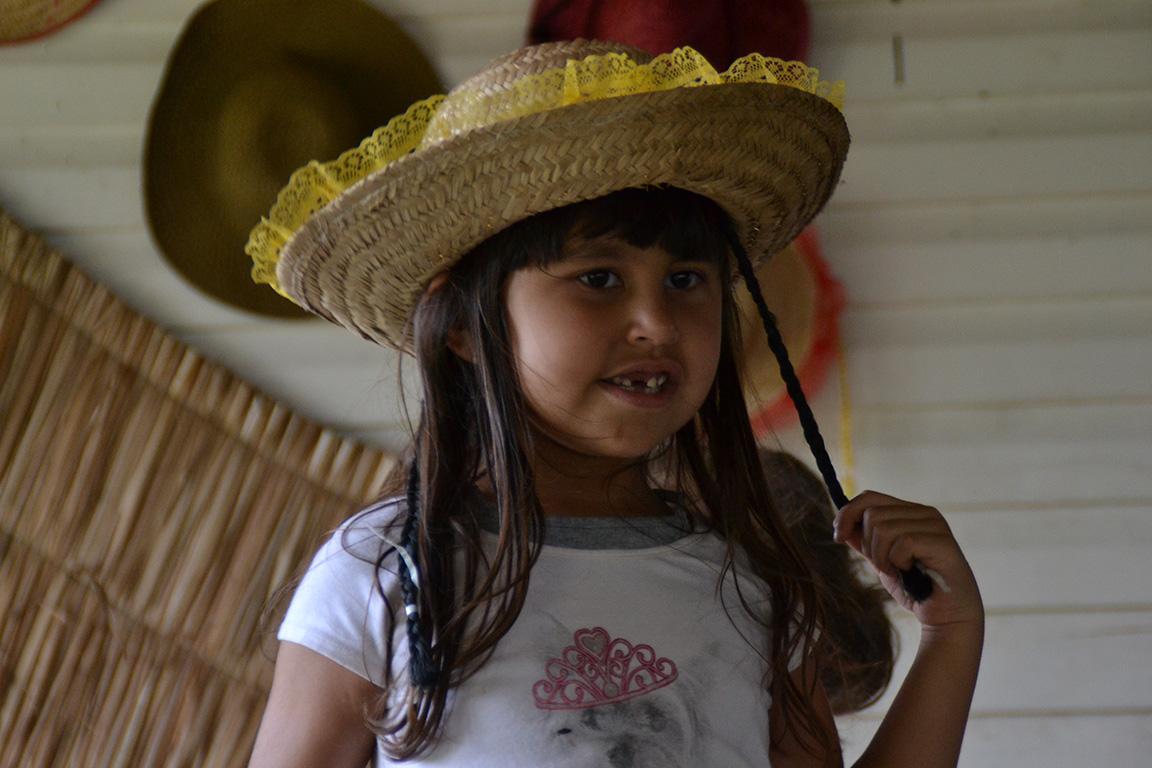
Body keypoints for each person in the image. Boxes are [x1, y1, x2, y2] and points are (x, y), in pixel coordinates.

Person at [245, 40, 984, 767]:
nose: (657, 324)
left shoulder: (751, 581)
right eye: (598, 278)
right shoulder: (386, 573)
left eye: (686, 280)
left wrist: (951, 634)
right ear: (465, 325)